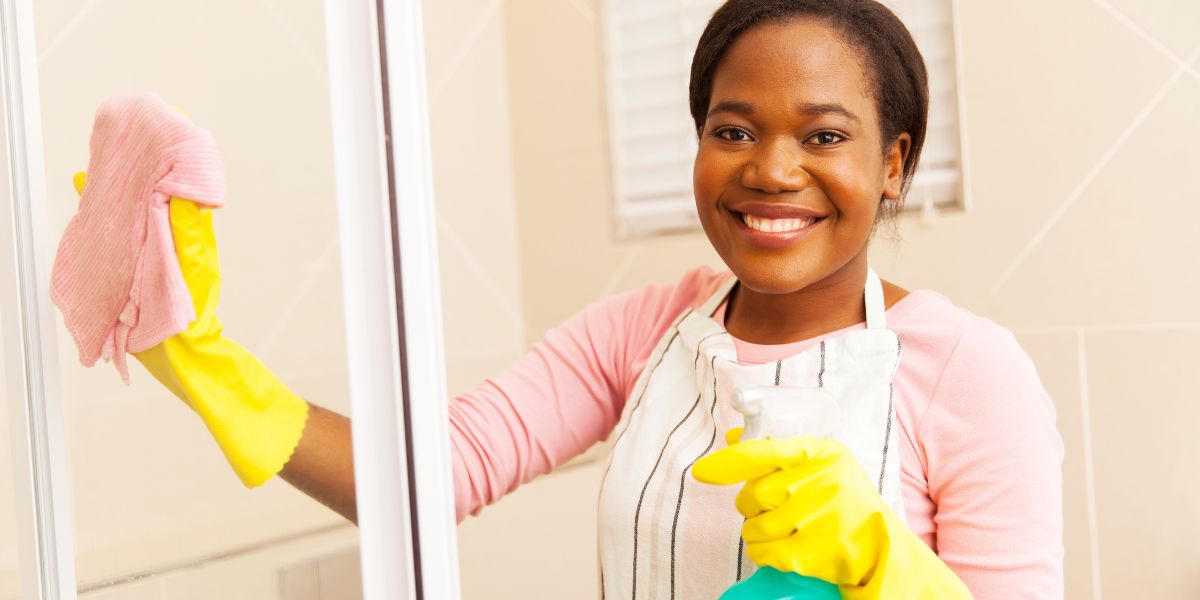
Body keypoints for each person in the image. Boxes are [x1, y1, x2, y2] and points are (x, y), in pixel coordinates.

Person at [106, 0, 1064, 597]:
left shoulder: (968, 373)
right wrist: (200, 360)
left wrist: (885, 570)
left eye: (823, 138)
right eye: (734, 129)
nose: (772, 170)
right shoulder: (651, 329)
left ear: (893, 164)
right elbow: (426, 477)